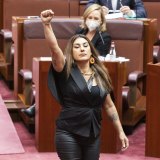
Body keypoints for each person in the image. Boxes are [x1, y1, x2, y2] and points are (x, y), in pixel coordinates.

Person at [40, 9, 129, 160]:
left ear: (91, 50)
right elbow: (54, 49)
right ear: (71, 52)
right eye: (77, 46)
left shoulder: (100, 74)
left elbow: (108, 105)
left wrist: (120, 131)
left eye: (85, 45)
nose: (82, 48)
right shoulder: (66, 70)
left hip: (92, 133)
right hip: (68, 131)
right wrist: (47, 25)